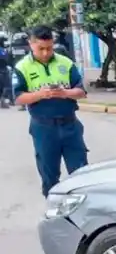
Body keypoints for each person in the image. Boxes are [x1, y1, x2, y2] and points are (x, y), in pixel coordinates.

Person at [13, 25, 89, 197]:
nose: (46, 53)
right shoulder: (22, 67)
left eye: (49, 48)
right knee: (49, 176)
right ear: (31, 44)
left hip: (70, 126)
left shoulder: (65, 63)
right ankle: (54, 212)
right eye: (41, 49)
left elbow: (81, 92)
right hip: (43, 129)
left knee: (81, 173)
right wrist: (40, 95)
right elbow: (18, 97)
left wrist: (64, 93)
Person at [0, 39, 10, 108]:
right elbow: (6, 59)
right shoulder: (2, 50)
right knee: (6, 85)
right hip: (3, 69)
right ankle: (3, 101)